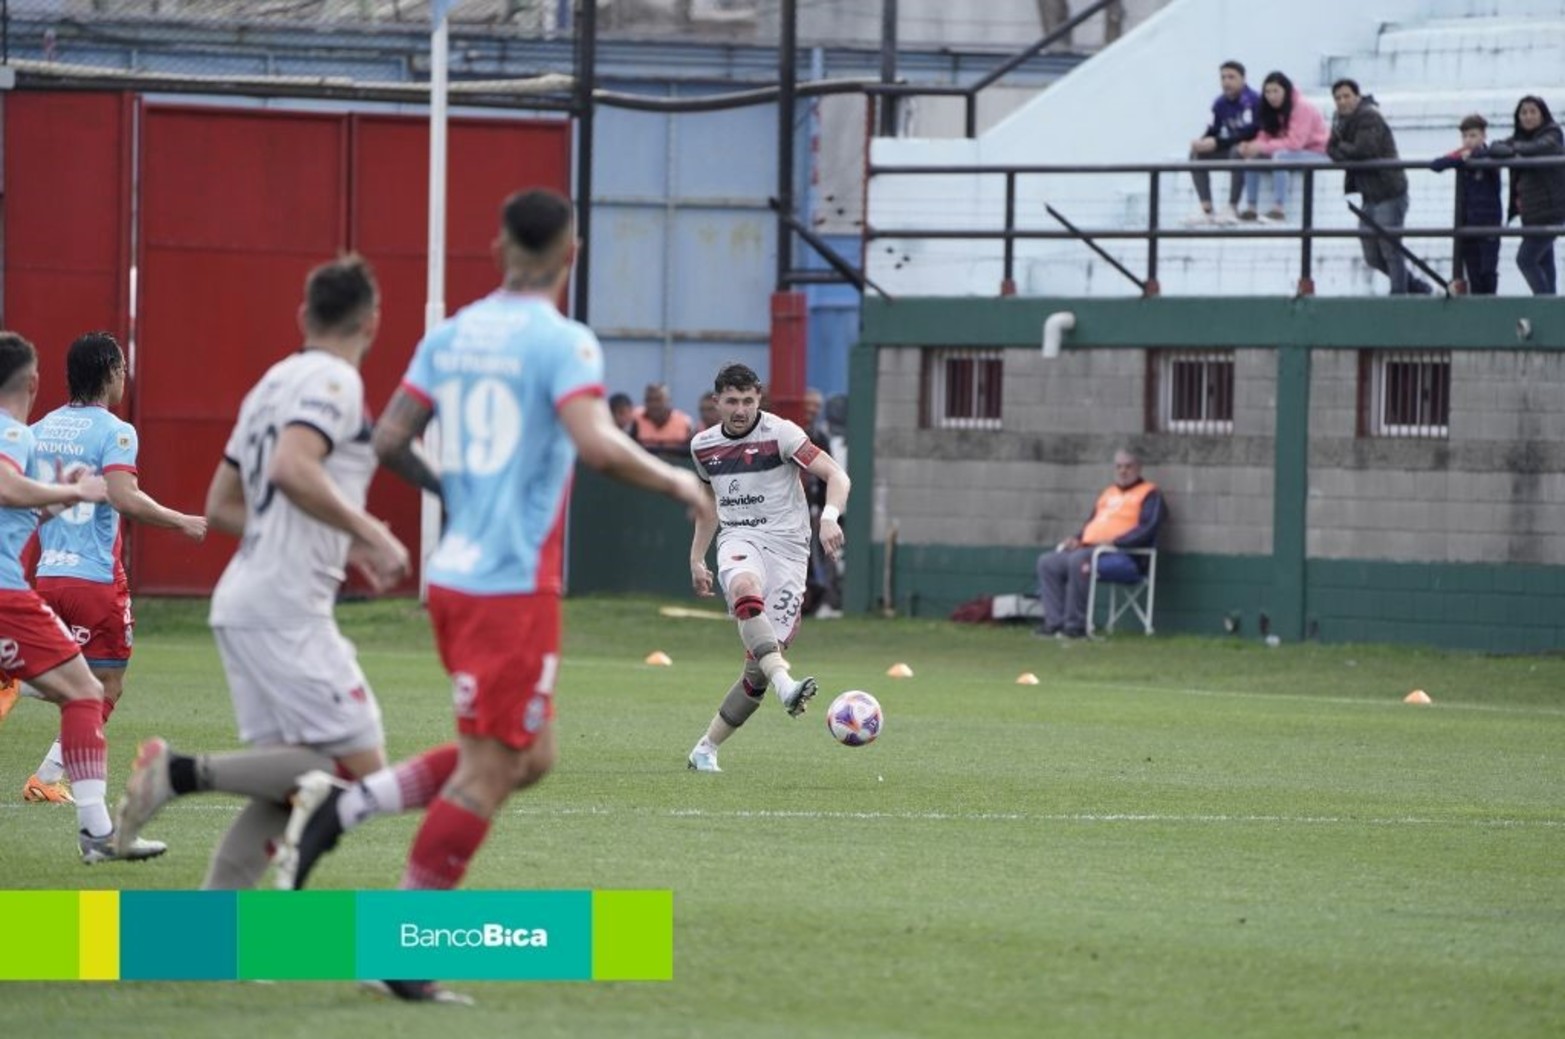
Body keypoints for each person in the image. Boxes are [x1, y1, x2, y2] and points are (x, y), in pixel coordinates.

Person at [269, 188, 714, 1005]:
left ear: (496, 246)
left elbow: (393, 436)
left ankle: (347, 805)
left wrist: (456, 495)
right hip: (511, 584)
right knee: (490, 770)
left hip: (456, 575)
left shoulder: (451, 333)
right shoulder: (563, 340)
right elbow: (594, 445)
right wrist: (678, 482)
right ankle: (404, 948)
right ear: (570, 255)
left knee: (527, 756)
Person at [111, 255, 411, 890]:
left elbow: (221, 504)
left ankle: (211, 939)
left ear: (304, 315)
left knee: (290, 784)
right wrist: (370, 532)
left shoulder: (271, 382)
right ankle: (179, 772)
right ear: (373, 322)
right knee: (359, 767)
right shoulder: (335, 382)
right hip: (284, 607)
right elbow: (292, 469)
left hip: (249, 596)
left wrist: (324, 535)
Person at [19, 331, 208, 806]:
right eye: (122, 367)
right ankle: (41, 758)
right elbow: (124, 498)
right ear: (110, 372)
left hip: (48, 576)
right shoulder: (116, 431)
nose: (126, 375)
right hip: (95, 580)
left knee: (74, 678)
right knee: (105, 684)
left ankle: (38, 746)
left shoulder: (40, 428)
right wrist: (180, 521)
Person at [0, 330, 165, 863]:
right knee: (95, 689)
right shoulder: (22, 434)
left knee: (81, 691)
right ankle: (86, 819)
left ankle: (81, 813)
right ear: (31, 380)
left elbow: (19, 505)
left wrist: (49, 504)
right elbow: (8, 488)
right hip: (60, 585)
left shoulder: (37, 431)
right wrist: (74, 491)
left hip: (40, 578)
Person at [684, 364, 851, 773]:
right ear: (716, 401)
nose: (740, 409)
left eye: (747, 401)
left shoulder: (782, 434)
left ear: (758, 398)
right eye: (732, 401)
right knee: (743, 587)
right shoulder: (702, 446)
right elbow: (709, 507)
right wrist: (696, 557)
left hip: (790, 550)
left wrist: (830, 516)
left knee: (755, 671)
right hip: (739, 539)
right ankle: (787, 684)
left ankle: (705, 749)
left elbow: (836, 475)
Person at [1034, 449, 1165, 640]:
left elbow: (1148, 529)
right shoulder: (1108, 493)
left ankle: (1076, 626)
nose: (1123, 471)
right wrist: (1077, 539)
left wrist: (1116, 542)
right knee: (1048, 562)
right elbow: (1093, 524)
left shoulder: (1150, 494)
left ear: (1138, 468)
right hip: (1091, 550)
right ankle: (1054, 623)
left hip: (1125, 557)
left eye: (1128, 467)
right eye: (1119, 467)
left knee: (1078, 561)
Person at [1327, 78, 1431, 296]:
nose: (1342, 102)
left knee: (1391, 249)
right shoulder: (1339, 120)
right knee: (1372, 256)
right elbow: (1331, 150)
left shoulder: (1369, 116)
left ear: (1357, 96)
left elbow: (1364, 150)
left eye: (1346, 96)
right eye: (1338, 98)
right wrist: (1344, 150)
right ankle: (1415, 287)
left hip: (1389, 192)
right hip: (1369, 195)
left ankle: (1399, 294)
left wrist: (1342, 147)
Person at [1485, 95, 1565, 295]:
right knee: (1545, 262)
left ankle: (1545, 304)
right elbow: (1494, 147)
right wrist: (1516, 150)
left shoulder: (1553, 133)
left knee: (1525, 259)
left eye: (1532, 112)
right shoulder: (1519, 138)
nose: (1528, 117)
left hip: (1552, 212)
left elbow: (1542, 147)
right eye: (1524, 113)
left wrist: (1514, 150)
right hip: (1531, 215)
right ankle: (1551, 307)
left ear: (1542, 114)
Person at [1236, 71, 1328, 221]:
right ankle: (1251, 208)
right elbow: (1266, 135)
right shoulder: (1271, 109)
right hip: (1291, 152)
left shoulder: (1302, 107)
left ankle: (1279, 209)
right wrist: (1251, 146)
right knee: (1252, 158)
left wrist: (1262, 147)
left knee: (1281, 156)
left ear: (1286, 90)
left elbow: (1295, 143)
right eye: (1267, 92)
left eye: (1276, 91)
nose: (1271, 96)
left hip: (1316, 152)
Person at [1432, 114, 1503, 296]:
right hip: (1467, 222)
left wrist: (1469, 156)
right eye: (1465, 136)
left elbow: (1496, 154)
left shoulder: (1489, 156)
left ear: (1483, 136)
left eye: (1473, 136)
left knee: (1488, 271)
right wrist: (1461, 158)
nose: (1468, 140)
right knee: (1473, 273)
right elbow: (1437, 165)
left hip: (1488, 222)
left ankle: (1491, 306)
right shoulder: (1462, 155)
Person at [1184, 61, 1260, 227]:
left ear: (1243, 79)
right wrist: (1202, 142)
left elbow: (1250, 132)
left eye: (1231, 77)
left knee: (1236, 151)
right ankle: (1206, 209)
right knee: (1196, 154)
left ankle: (1232, 206)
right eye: (1223, 77)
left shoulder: (1252, 100)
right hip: (1229, 145)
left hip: (1252, 149)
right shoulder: (1219, 103)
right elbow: (1213, 129)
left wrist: (1217, 143)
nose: (1226, 81)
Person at [799, 387, 841, 618]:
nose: (812, 410)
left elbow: (830, 474)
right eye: (808, 405)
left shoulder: (819, 436)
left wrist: (826, 509)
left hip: (813, 508)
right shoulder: (784, 432)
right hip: (785, 508)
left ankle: (826, 602)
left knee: (822, 555)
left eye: (816, 406)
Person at [632, 382, 694, 453]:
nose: (653, 404)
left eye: (658, 399)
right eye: (649, 400)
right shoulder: (635, 418)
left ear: (668, 400)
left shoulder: (684, 422)